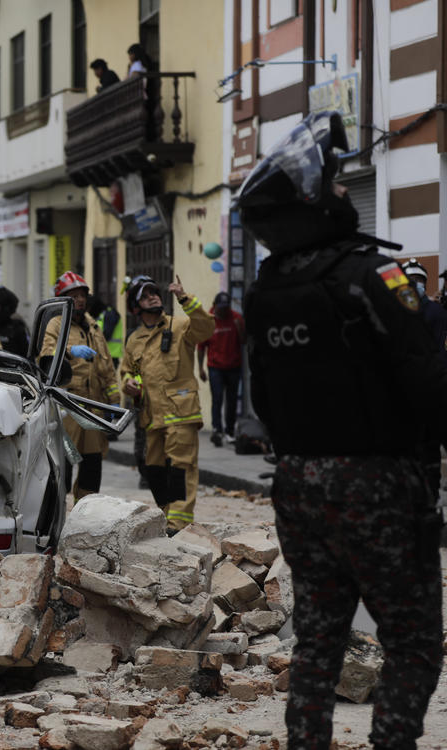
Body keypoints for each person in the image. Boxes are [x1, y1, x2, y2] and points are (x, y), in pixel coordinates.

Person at [238, 111, 445, 750]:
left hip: (299, 484)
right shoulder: (371, 276)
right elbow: (429, 382)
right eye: (332, 185)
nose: (339, 194)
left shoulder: (267, 289)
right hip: (379, 482)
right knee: (412, 641)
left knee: (320, 637)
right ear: (310, 205)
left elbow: (266, 401)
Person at [121, 274, 213, 533]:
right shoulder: (134, 340)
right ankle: (166, 513)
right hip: (153, 418)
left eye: (155, 291)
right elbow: (130, 371)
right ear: (136, 307)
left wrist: (184, 298)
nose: (154, 296)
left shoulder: (180, 326)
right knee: (153, 469)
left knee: (181, 468)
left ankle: (179, 523)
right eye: (146, 294)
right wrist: (129, 382)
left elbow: (206, 329)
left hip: (180, 413)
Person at [40, 271, 119, 501]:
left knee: (92, 467)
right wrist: (69, 351)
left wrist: (114, 402)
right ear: (62, 299)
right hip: (67, 409)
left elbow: (106, 366)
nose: (80, 300)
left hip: (92, 408)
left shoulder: (93, 325)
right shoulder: (56, 324)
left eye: (82, 295)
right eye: (73, 296)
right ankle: (57, 518)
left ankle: (85, 515)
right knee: (62, 466)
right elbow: (46, 355)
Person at [196, 291, 245, 447]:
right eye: (221, 308)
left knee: (231, 400)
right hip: (215, 367)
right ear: (214, 306)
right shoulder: (208, 321)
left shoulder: (236, 318)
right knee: (217, 398)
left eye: (226, 308)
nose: (224, 311)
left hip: (233, 366)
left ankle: (230, 431)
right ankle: (217, 430)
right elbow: (201, 347)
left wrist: (240, 330)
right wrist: (201, 369)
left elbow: (244, 341)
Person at [87, 295, 123, 369]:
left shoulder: (110, 314)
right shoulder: (101, 315)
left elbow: (106, 335)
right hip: (103, 355)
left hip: (110, 356)